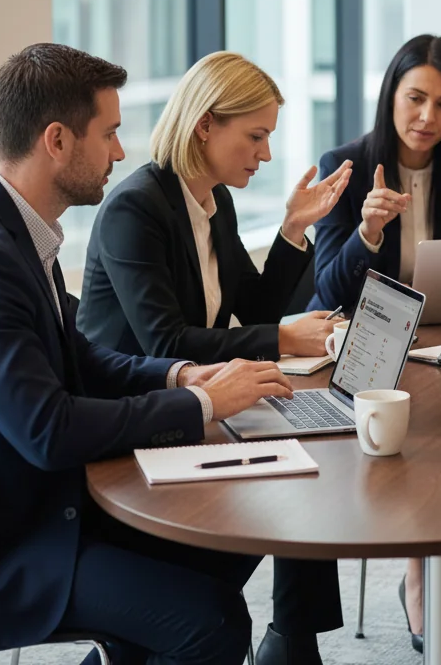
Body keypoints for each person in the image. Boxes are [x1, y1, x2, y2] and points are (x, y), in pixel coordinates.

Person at [0, 43, 298, 664]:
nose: (120, 151)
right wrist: (195, 402)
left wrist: (182, 373)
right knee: (213, 621)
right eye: (110, 133)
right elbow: (47, 428)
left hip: (58, 505)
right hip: (12, 543)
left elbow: (82, 357)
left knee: (243, 529)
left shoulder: (22, 231)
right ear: (58, 140)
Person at [77, 50, 351, 664]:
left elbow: (251, 304)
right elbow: (167, 343)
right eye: (256, 136)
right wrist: (280, 338)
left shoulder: (212, 201)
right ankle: (151, 640)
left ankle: (290, 639)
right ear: (206, 125)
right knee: (283, 486)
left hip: (190, 405)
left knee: (310, 461)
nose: (266, 154)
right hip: (132, 419)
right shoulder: (136, 208)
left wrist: (292, 230)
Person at [307, 34, 441, 654]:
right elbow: (327, 287)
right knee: (433, 421)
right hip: (373, 346)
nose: (428, 118)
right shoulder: (343, 163)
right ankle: (422, 573)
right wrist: (368, 230)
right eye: (416, 98)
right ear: (391, 95)